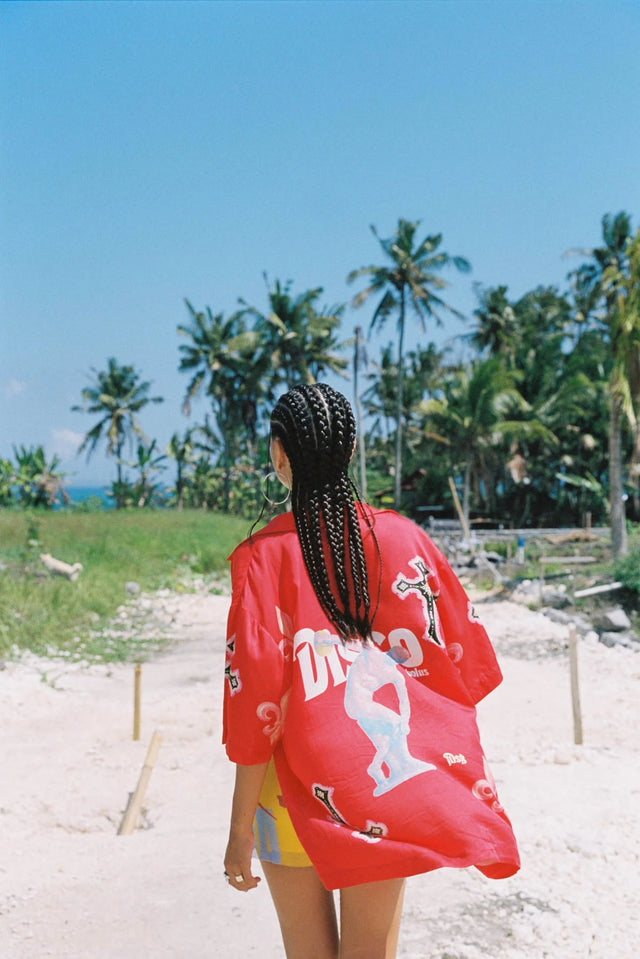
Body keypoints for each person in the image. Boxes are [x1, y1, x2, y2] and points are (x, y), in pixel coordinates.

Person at [223, 383, 520, 959]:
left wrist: (238, 829)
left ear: (278, 454)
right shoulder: (406, 539)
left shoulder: (261, 557)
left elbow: (253, 702)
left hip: (284, 791)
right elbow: (465, 664)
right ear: (353, 448)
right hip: (384, 786)